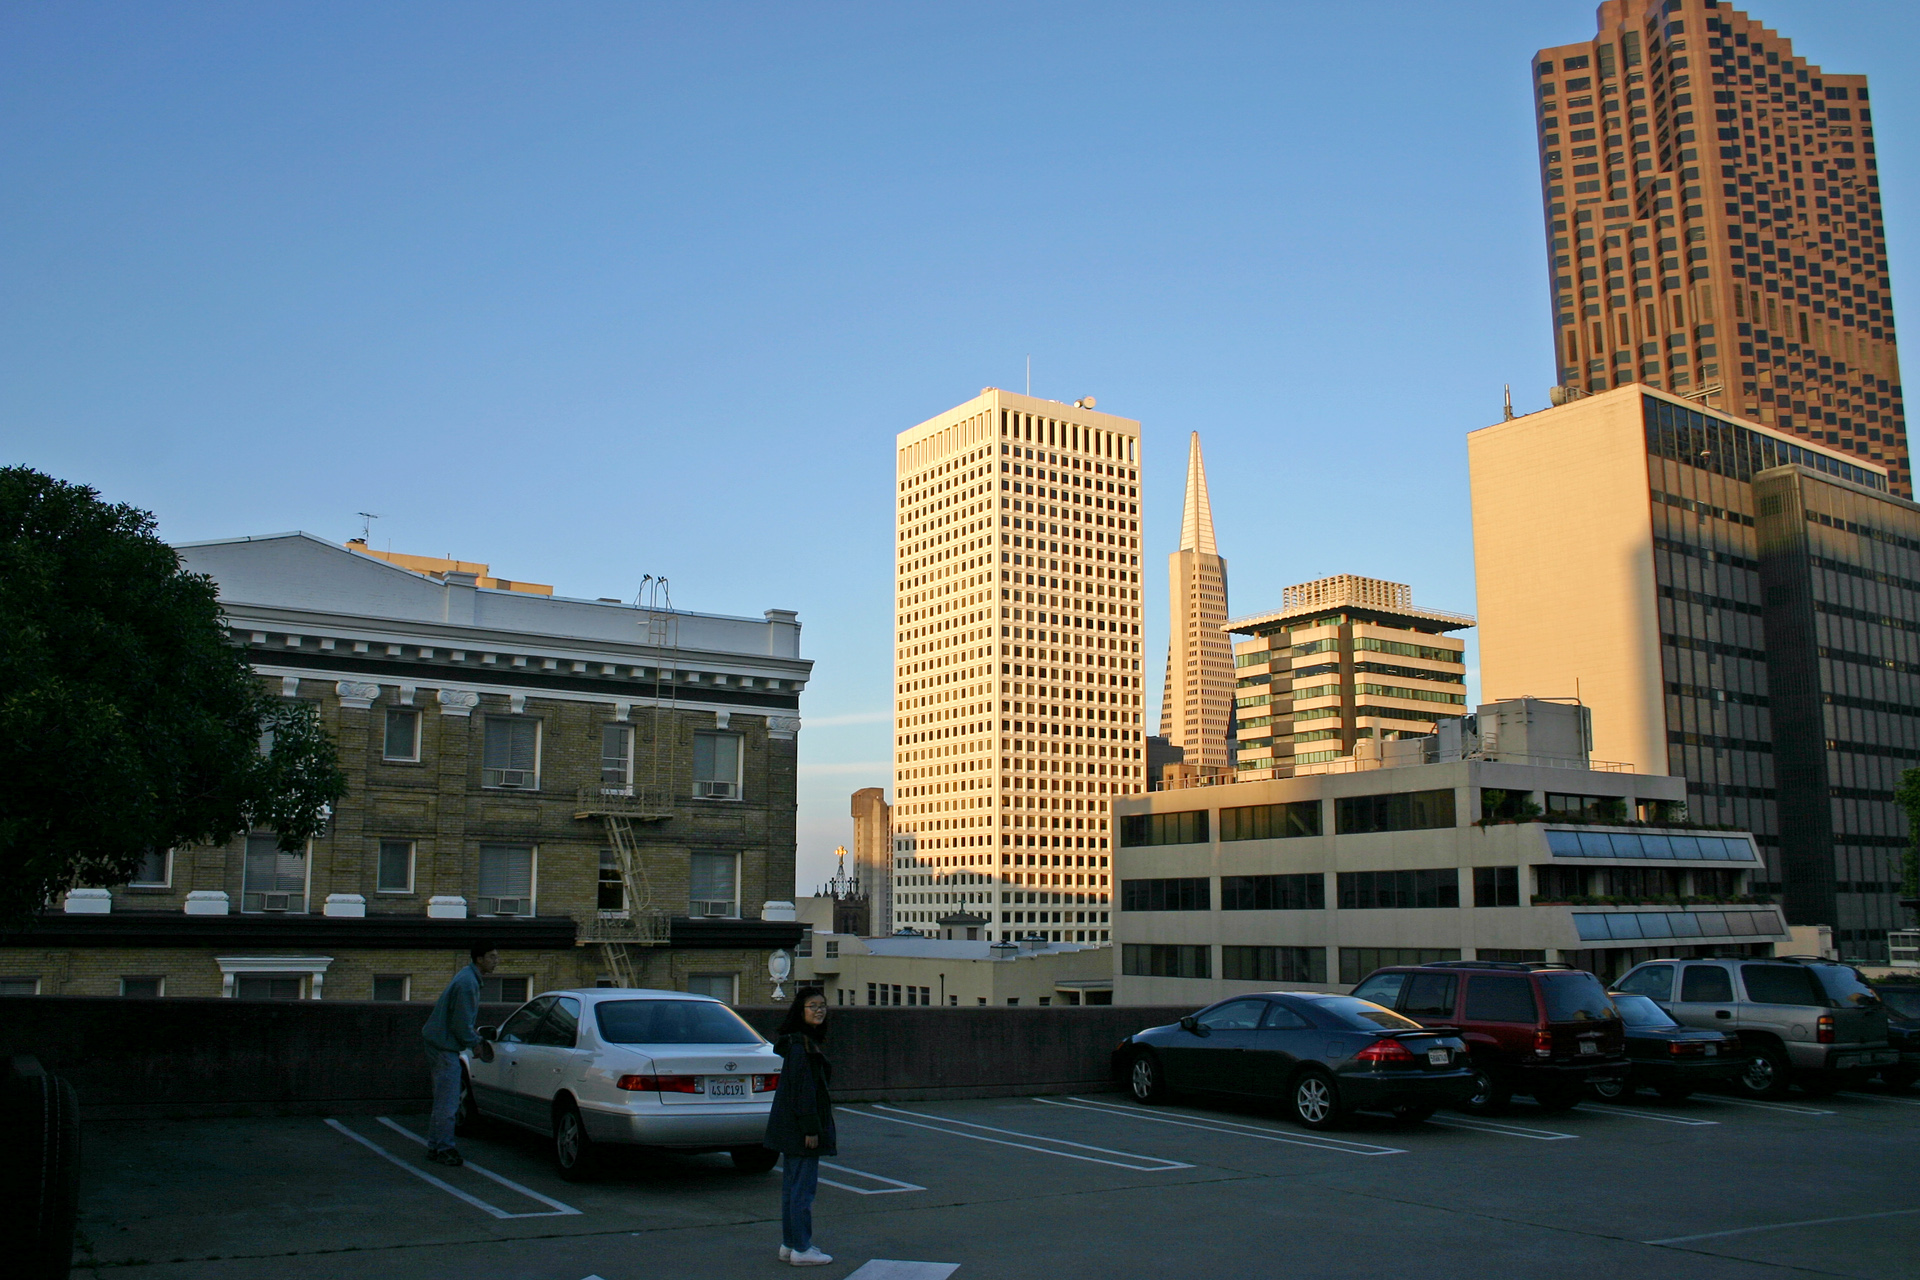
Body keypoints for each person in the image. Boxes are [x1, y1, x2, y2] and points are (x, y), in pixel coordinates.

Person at [763, 987, 835, 1266]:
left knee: (792, 1188)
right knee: (803, 1190)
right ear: (800, 1011)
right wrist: (811, 1130)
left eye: (822, 1005)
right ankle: (802, 1249)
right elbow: (804, 1092)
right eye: (812, 1006)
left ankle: (790, 1244)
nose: (819, 1010)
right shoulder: (802, 1047)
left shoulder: (795, 1044)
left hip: (788, 1127)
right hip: (799, 1128)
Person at [420, 942, 498, 1166]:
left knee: (442, 1099)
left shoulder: (466, 976)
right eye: (492, 957)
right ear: (479, 959)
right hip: (444, 1046)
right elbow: (461, 1023)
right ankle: (444, 1148)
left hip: (438, 1041)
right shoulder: (467, 983)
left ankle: (435, 1146)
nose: (496, 961)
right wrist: (476, 1043)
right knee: (448, 1101)